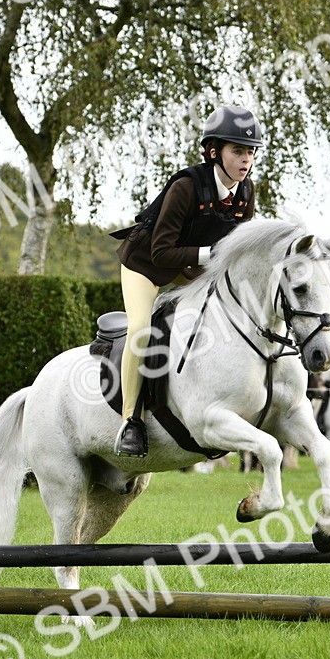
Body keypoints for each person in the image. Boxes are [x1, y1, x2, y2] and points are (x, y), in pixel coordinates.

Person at [110, 105, 262, 457]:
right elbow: (162, 252)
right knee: (140, 329)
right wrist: (213, 253)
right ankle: (130, 421)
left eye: (251, 152)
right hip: (146, 263)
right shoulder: (185, 187)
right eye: (238, 150)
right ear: (214, 152)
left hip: (192, 268)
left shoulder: (246, 192)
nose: (246, 159)